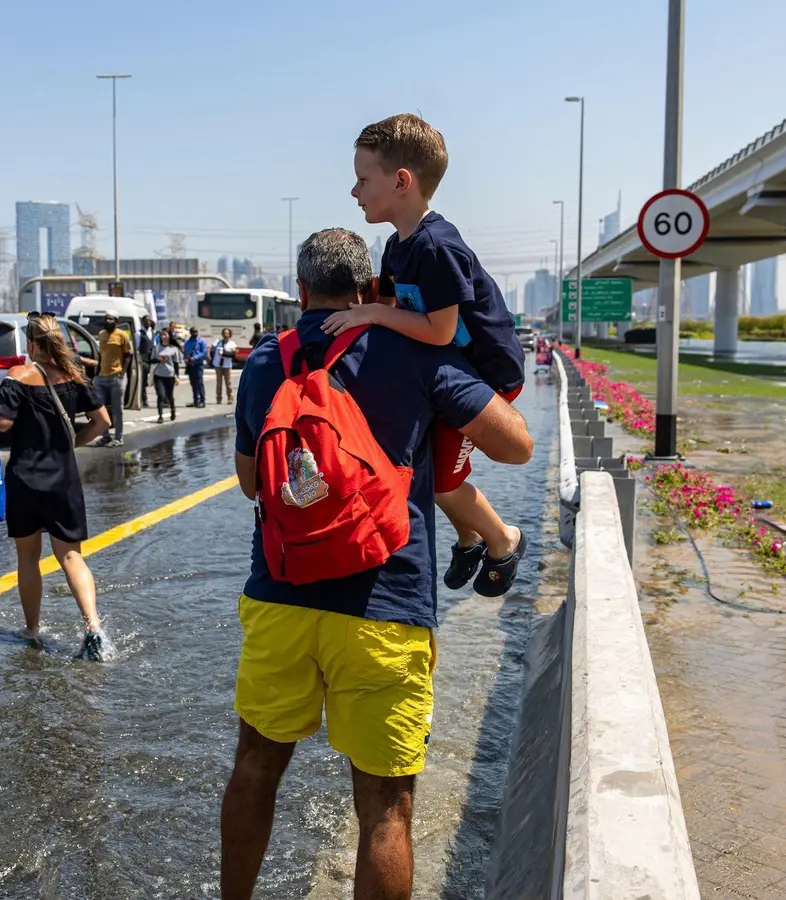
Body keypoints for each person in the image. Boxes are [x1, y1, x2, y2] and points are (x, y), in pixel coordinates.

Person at [221, 228, 533, 899]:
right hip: (385, 606)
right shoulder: (414, 352)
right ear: (370, 290)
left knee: (254, 767)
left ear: (300, 290)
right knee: (385, 809)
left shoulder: (266, 361)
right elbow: (517, 447)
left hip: (280, 594)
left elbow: (251, 482)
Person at [329, 112, 528, 597]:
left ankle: (502, 540)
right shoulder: (400, 246)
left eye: (361, 180)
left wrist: (370, 316)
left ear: (401, 181)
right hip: (452, 369)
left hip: (488, 375)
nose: (354, 192)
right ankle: (467, 536)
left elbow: (439, 332)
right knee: (430, 469)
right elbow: (396, 306)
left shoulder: (437, 248)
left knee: (441, 481)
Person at [0, 314, 115, 660]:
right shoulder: (75, 377)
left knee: (28, 557)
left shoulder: (18, 377)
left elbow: (2, 421)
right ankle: (93, 626)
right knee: (71, 556)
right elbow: (103, 421)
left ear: (30, 344)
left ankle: (32, 628)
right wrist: (73, 441)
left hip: (25, 479)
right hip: (63, 478)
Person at [91, 314, 132, 447]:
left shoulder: (122, 335)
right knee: (100, 408)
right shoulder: (101, 334)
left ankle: (119, 438)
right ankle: (105, 436)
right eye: (106, 318)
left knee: (117, 409)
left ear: (116, 321)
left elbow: (128, 355)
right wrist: (96, 374)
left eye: (111, 319)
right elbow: (101, 355)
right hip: (101, 377)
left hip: (116, 377)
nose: (108, 321)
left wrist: (123, 372)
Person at [151, 329, 182, 424]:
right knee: (161, 395)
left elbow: (176, 364)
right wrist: (159, 360)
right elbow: (151, 360)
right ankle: (160, 416)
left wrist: (177, 376)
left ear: (169, 336)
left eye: (165, 334)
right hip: (158, 375)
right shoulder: (156, 348)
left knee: (169, 396)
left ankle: (172, 409)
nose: (163, 336)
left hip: (169, 375)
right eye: (162, 335)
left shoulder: (174, 349)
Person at [137, 315, 159, 408]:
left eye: (149, 321)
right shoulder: (139, 334)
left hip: (152, 360)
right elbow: (137, 348)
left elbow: (155, 347)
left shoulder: (153, 333)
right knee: (143, 381)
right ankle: (143, 400)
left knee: (155, 380)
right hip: (143, 361)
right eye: (146, 321)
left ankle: (162, 399)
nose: (148, 322)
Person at [184, 327, 210, 408]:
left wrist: (195, 357)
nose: (195, 333)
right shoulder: (187, 342)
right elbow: (185, 352)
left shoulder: (201, 341)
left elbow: (204, 352)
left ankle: (202, 400)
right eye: (193, 332)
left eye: (196, 332)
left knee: (199, 383)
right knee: (193, 383)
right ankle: (195, 400)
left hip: (198, 364)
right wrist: (185, 359)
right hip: (190, 365)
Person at [213, 327, 238, 405]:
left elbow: (234, 353)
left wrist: (225, 353)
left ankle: (230, 398)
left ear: (230, 334)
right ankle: (219, 399)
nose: (225, 335)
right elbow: (211, 347)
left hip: (227, 365)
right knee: (219, 383)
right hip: (218, 365)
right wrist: (208, 355)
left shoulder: (232, 344)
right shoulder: (218, 342)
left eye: (227, 333)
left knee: (228, 383)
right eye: (224, 333)